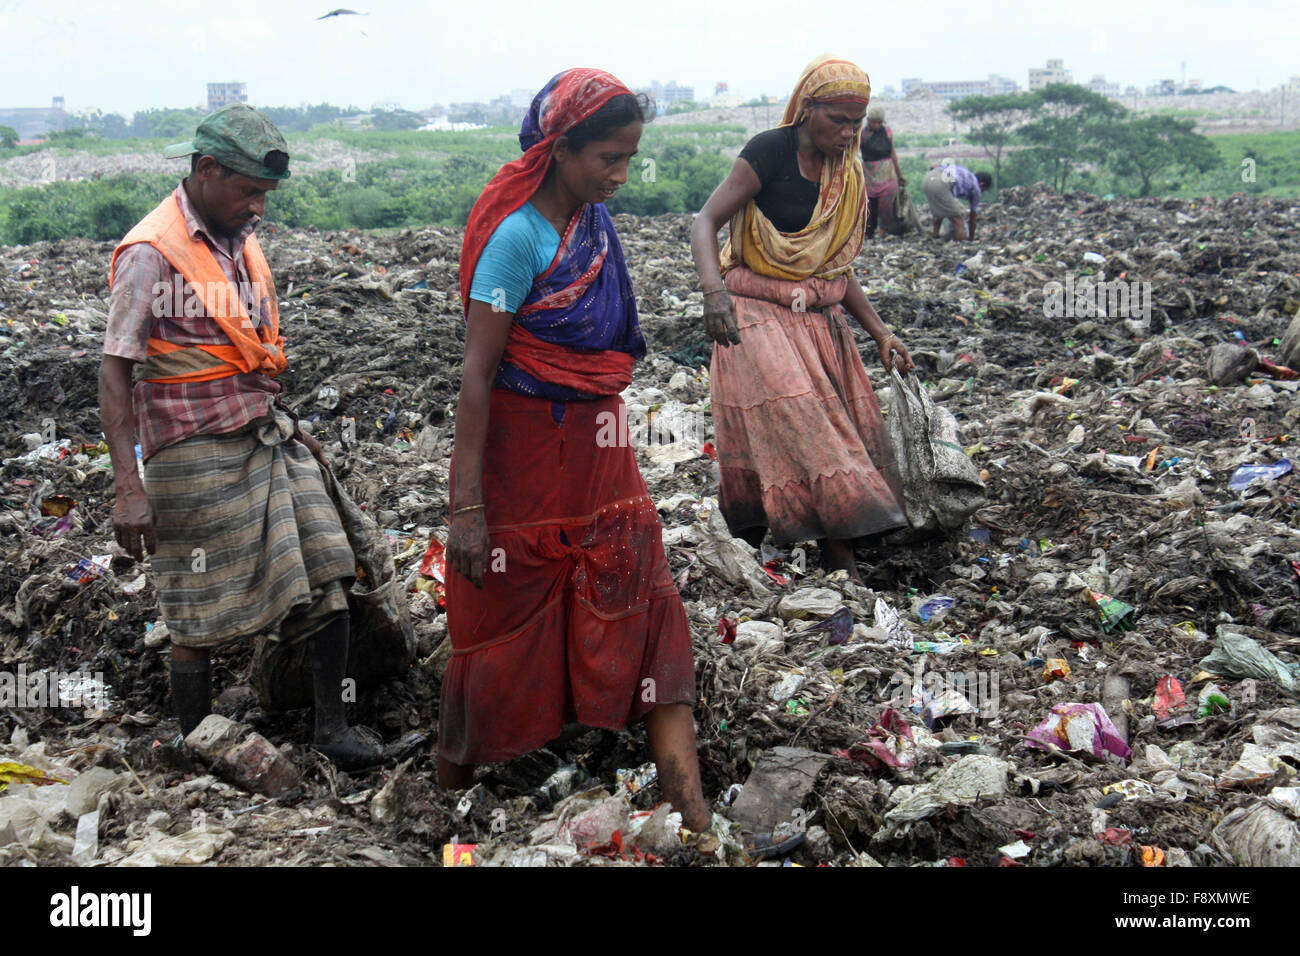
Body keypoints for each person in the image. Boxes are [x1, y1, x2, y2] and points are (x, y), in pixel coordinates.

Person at [443, 69, 714, 839]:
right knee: (500, 625)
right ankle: (445, 803)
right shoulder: (516, 237)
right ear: (561, 149)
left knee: (647, 600)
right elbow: (477, 376)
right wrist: (467, 509)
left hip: (602, 454)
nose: (622, 175)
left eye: (631, 157)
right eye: (608, 158)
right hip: (522, 461)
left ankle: (693, 816)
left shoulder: (594, 228)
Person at [99, 105, 385, 769]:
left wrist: (297, 429)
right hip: (188, 448)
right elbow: (114, 372)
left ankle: (332, 728)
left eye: (264, 194)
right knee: (195, 614)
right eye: (247, 191)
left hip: (261, 433)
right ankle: (199, 741)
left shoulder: (240, 239)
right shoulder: (151, 252)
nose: (257, 206)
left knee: (328, 566)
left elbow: (249, 352)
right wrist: (127, 487)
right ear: (204, 171)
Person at [690, 54, 914, 581]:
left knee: (825, 426)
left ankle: (798, 539)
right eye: (837, 119)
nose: (848, 132)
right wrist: (712, 292)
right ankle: (837, 552)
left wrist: (881, 332)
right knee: (810, 423)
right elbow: (705, 221)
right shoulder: (768, 152)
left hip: (816, 317)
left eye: (855, 122)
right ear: (807, 108)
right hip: (754, 309)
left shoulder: (847, 172)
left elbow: (837, 268)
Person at [860, 103, 904, 238]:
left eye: (879, 123)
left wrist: (899, 175)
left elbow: (893, 154)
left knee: (886, 207)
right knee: (870, 207)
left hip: (887, 174)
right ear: (869, 121)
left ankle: (883, 232)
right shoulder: (862, 134)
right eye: (874, 122)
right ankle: (869, 232)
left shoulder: (887, 132)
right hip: (869, 175)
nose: (876, 125)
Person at [921, 160, 991, 241]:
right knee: (957, 219)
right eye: (983, 189)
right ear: (982, 184)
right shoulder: (976, 188)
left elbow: (934, 167)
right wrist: (971, 239)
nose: (981, 192)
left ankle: (935, 235)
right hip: (940, 184)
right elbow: (972, 220)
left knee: (940, 209)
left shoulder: (966, 173)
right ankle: (962, 246)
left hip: (928, 179)